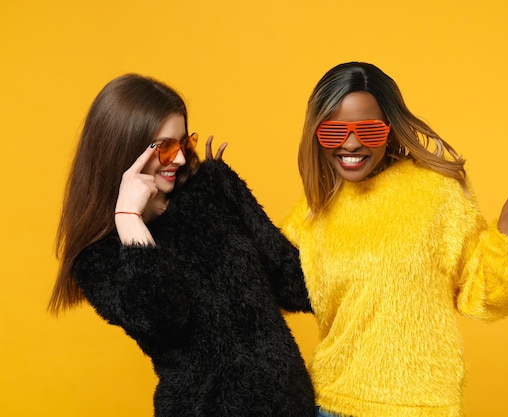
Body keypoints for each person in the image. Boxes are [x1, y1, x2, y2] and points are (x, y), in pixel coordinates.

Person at [280, 62, 508, 417]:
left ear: (389, 129)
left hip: (423, 407)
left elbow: (489, 299)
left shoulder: (437, 195)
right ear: (316, 134)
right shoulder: (311, 216)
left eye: (368, 131)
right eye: (333, 132)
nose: (351, 144)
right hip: (333, 405)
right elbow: (253, 294)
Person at [49, 74, 316, 417]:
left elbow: (294, 283)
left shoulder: (213, 187)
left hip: (291, 407)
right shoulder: (99, 256)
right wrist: (130, 218)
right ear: (122, 151)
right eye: (164, 148)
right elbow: (163, 319)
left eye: (182, 143)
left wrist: (336, 204)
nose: (177, 160)